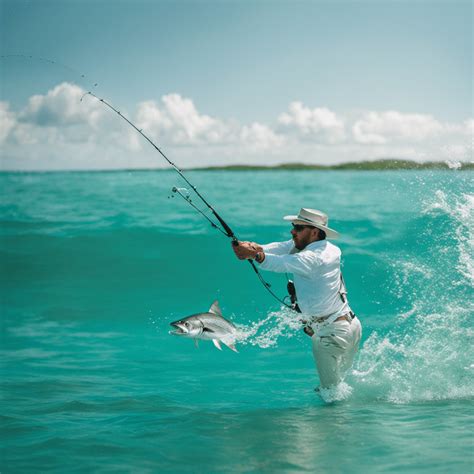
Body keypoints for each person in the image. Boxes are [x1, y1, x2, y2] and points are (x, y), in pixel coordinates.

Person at [232, 208, 362, 390]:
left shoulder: (315, 257)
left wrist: (255, 255)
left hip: (333, 335)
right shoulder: (327, 248)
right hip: (348, 326)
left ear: (314, 232)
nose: (293, 231)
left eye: (299, 228)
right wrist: (254, 247)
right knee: (341, 386)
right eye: (294, 226)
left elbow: (284, 262)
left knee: (330, 393)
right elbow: (282, 247)